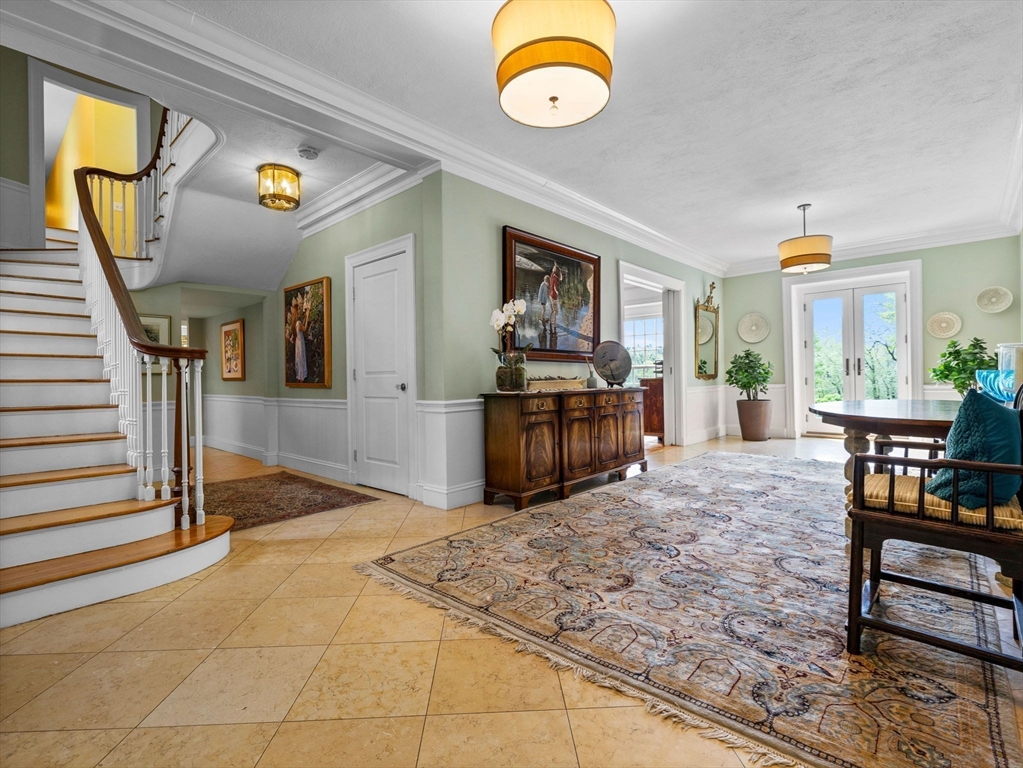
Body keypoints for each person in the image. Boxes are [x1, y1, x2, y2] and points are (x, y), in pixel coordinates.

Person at [294, 292, 311, 382]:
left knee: (299, 361)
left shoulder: (295, 323)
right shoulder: (298, 323)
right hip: (300, 344)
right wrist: (307, 316)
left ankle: (300, 378)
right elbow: (304, 329)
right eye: (299, 310)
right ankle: (301, 379)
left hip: (298, 343)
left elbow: (301, 326)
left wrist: (305, 316)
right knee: (301, 361)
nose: (301, 310)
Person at [548, 265, 561, 331]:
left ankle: (550, 322)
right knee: (555, 312)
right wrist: (557, 292)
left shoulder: (552, 275)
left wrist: (555, 266)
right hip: (554, 296)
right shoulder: (555, 279)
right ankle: (555, 325)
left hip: (550, 295)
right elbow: (555, 287)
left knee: (552, 310)